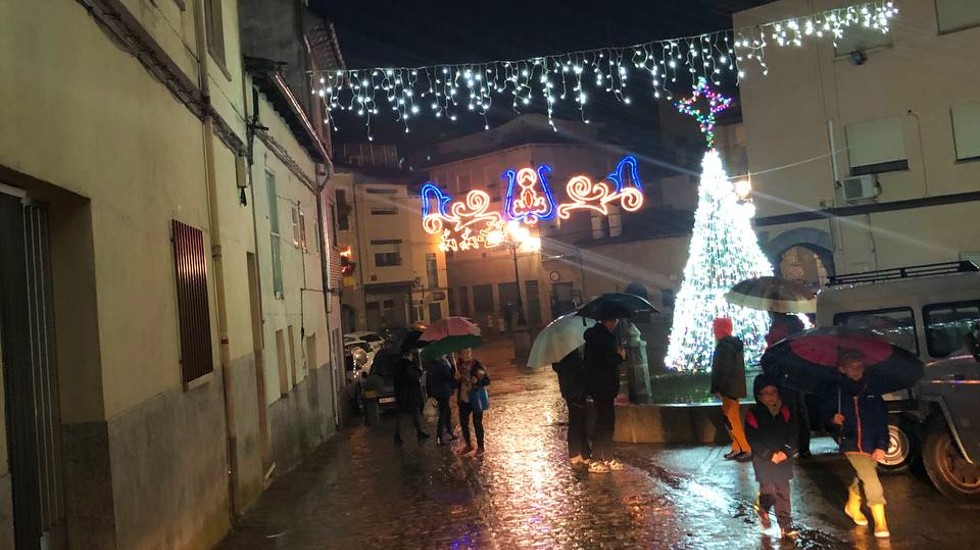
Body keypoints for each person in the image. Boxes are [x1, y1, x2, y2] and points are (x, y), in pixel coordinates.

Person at [831, 351, 891, 539]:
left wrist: (882, 445)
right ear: (842, 369)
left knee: (862, 477)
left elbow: (882, 422)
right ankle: (881, 521)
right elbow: (823, 417)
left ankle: (852, 506)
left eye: (859, 366)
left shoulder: (872, 392)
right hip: (850, 444)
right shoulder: (837, 393)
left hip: (872, 444)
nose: (856, 370)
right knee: (872, 480)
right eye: (851, 366)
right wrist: (833, 420)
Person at [745, 374, 798, 539]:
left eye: (773, 392)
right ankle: (763, 509)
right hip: (764, 461)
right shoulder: (753, 413)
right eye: (765, 393)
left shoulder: (786, 411)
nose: (770, 397)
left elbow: (793, 433)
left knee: (783, 491)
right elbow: (752, 438)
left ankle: (785, 524)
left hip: (783, 459)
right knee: (769, 491)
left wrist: (787, 451)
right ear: (759, 395)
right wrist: (768, 454)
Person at [583, 312, 626, 473]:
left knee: (606, 420)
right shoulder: (604, 339)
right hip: (603, 385)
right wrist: (620, 357)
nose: (615, 324)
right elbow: (605, 362)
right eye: (614, 320)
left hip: (599, 386)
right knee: (604, 422)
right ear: (610, 321)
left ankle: (607, 456)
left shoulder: (595, 337)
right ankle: (596, 459)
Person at [765, 312, 811, 458]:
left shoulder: (779, 327)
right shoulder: (795, 324)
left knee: (789, 412)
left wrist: (769, 338)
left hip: (784, 375)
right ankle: (803, 447)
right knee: (800, 411)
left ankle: (794, 446)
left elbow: (775, 350)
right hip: (797, 374)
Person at [710, 317, 752, 461]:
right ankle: (737, 448)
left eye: (715, 329)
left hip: (728, 388)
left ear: (719, 330)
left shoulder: (724, 346)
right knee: (731, 417)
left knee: (731, 418)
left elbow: (723, 370)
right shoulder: (733, 344)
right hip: (733, 387)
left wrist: (718, 388)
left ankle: (745, 448)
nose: (713, 332)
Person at [553, 347, 590, 466]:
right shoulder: (570, 351)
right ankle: (578, 453)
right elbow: (578, 371)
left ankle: (580, 452)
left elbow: (557, 367)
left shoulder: (558, 353)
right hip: (576, 390)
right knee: (578, 421)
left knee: (576, 420)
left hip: (568, 389)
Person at [455, 348, 490, 456]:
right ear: (460, 354)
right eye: (464, 352)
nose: (467, 354)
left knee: (477, 423)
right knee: (463, 423)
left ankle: (480, 447)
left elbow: (486, 380)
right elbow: (453, 384)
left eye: (468, 351)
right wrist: (455, 379)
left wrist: (477, 381)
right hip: (463, 398)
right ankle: (468, 445)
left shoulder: (476, 365)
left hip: (476, 398)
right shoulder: (457, 366)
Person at [392, 350, 429, 446]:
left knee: (400, 413)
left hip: (400, 392)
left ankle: (397, 434)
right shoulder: (409, 365)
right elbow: (416, 375)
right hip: (410, 392)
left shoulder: (396, 365)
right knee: (414, 411)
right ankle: (419, 432)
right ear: (409, 355)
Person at [424, 354, 456, 446]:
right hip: (443, 393)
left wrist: (430, 395)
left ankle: (449, 432)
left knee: (447, 412)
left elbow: (428, 382)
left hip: (436, 393)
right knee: (443, 414)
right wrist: (451, 365)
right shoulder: (442, 365)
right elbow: (449, 376)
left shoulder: (430, 366)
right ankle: (440, 436)